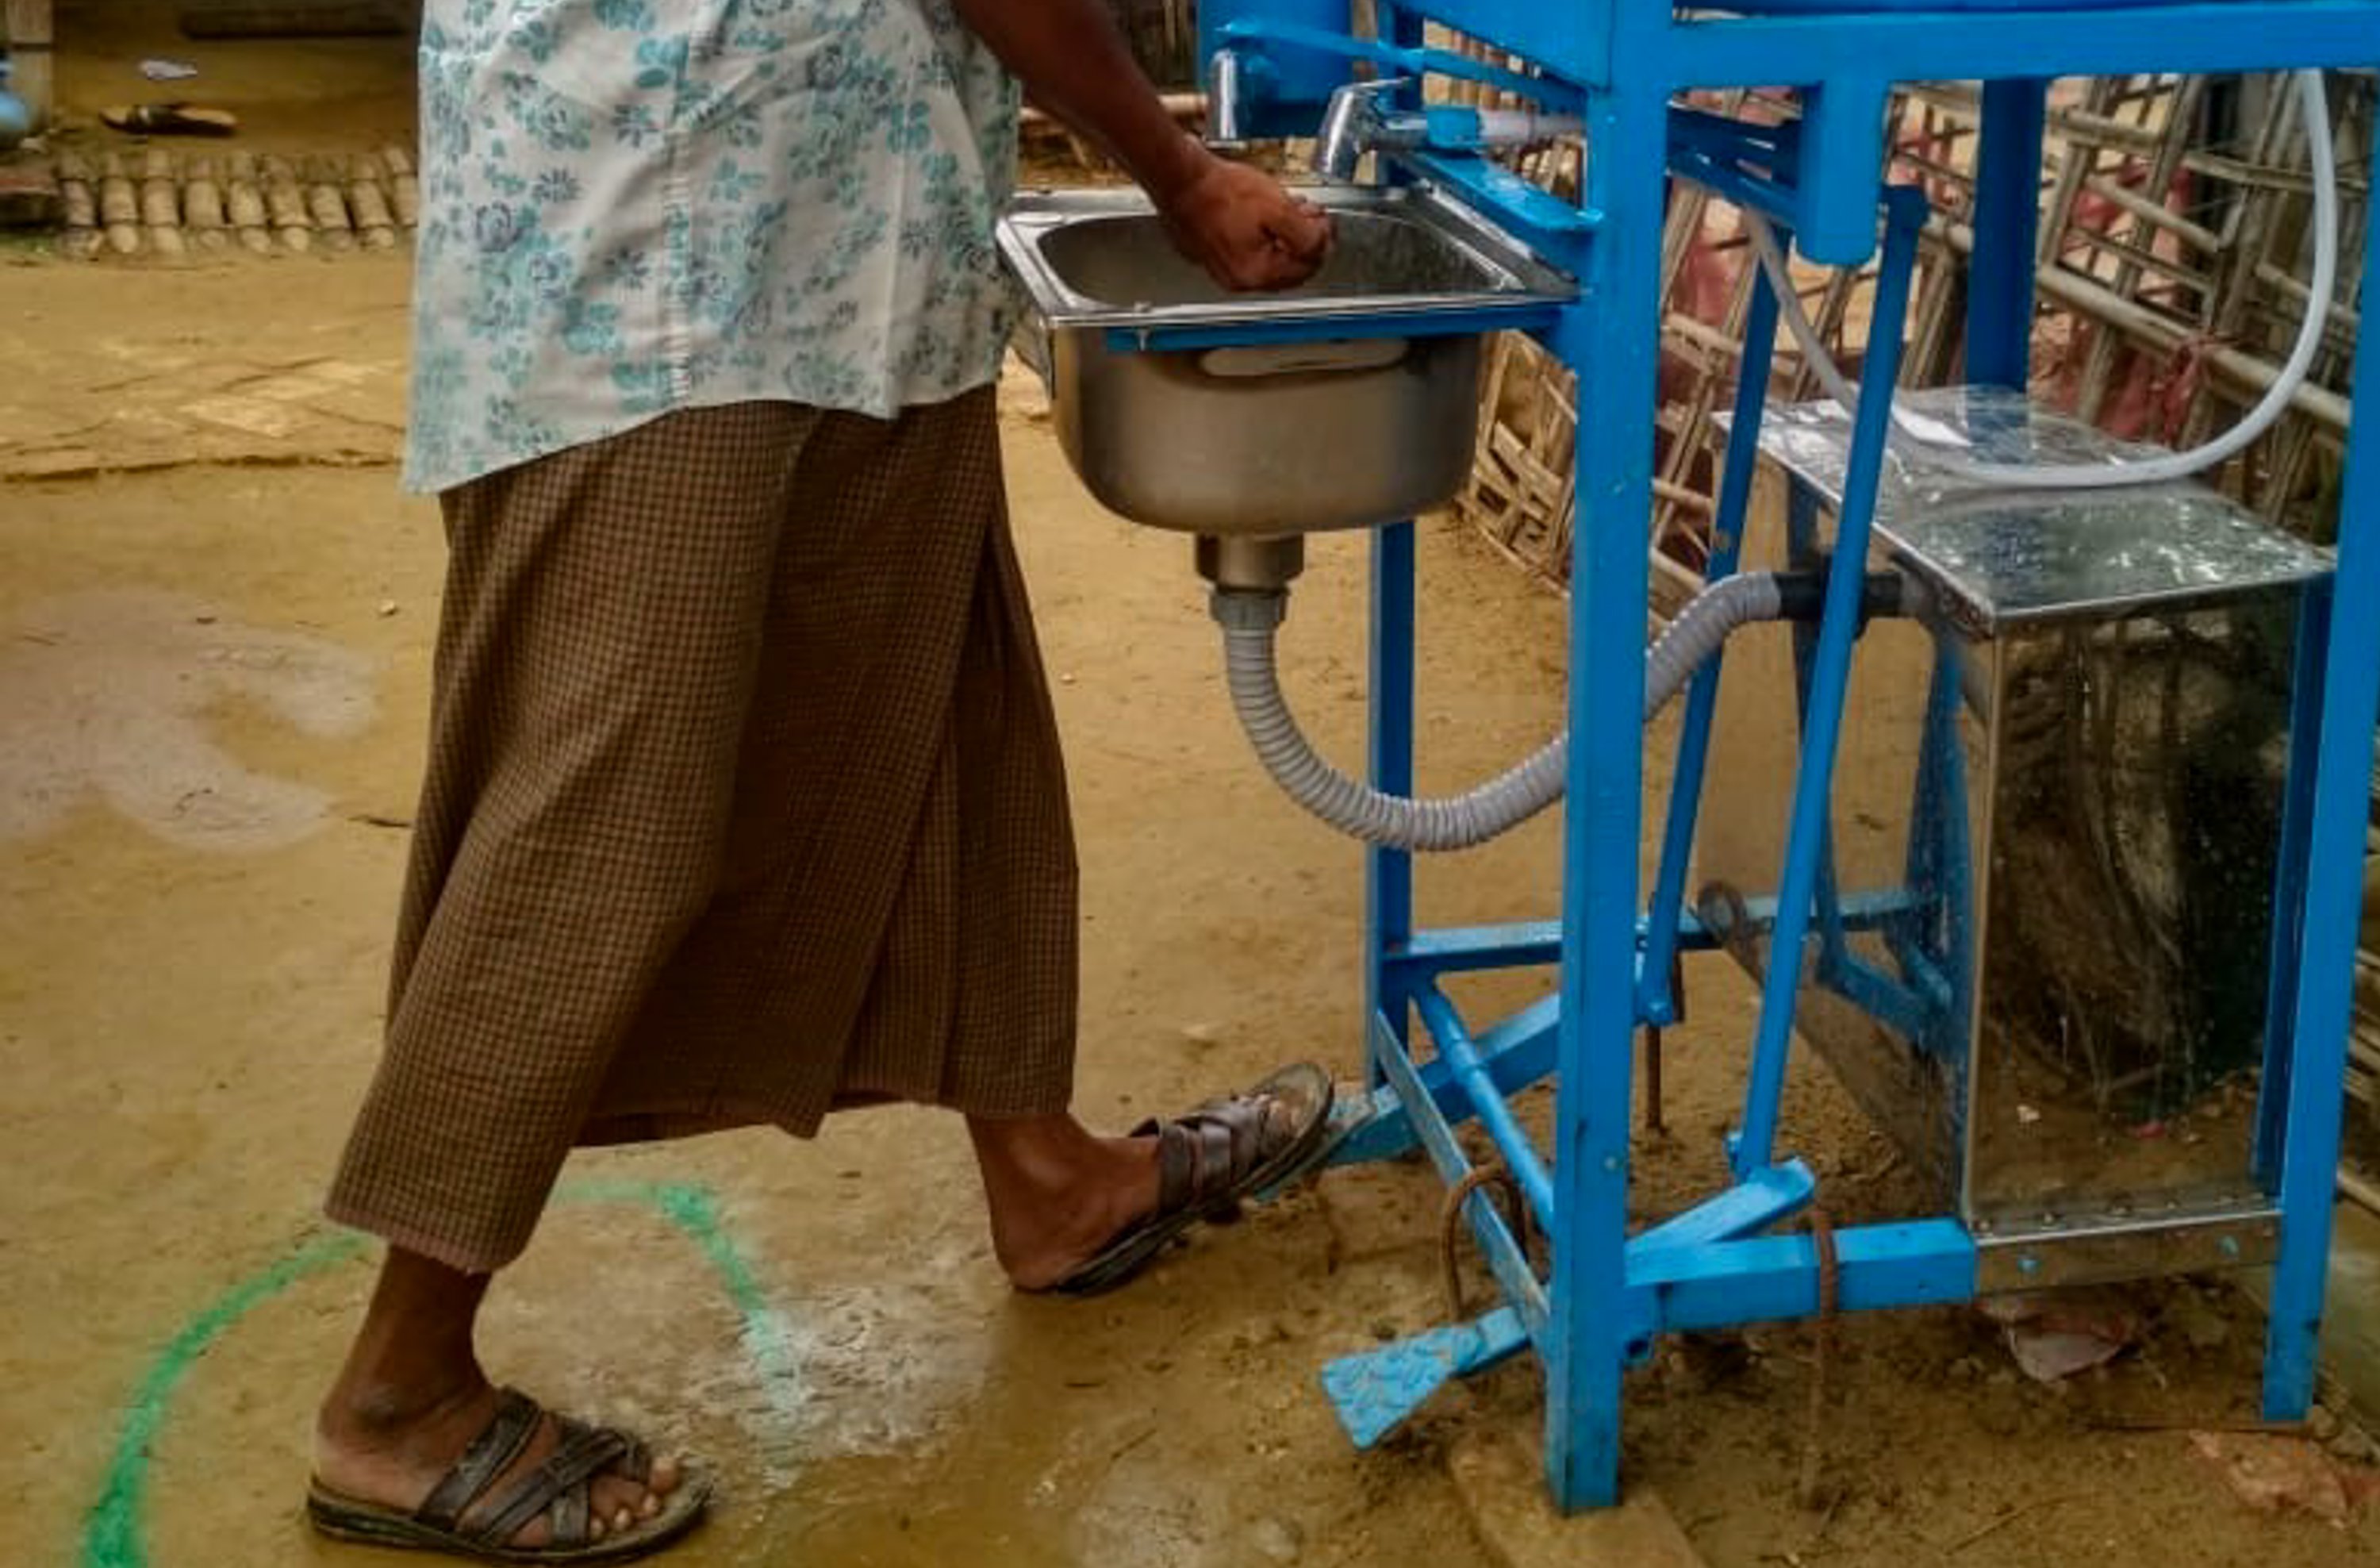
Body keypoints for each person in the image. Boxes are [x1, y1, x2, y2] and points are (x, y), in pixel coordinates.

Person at [305, 1, 1340, 1559]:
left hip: (832, 232)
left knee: (937, 700)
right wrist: (1176, 170)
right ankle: (398, 1389)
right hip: (674, 251)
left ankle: (1052, 1179)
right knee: (609, 804)